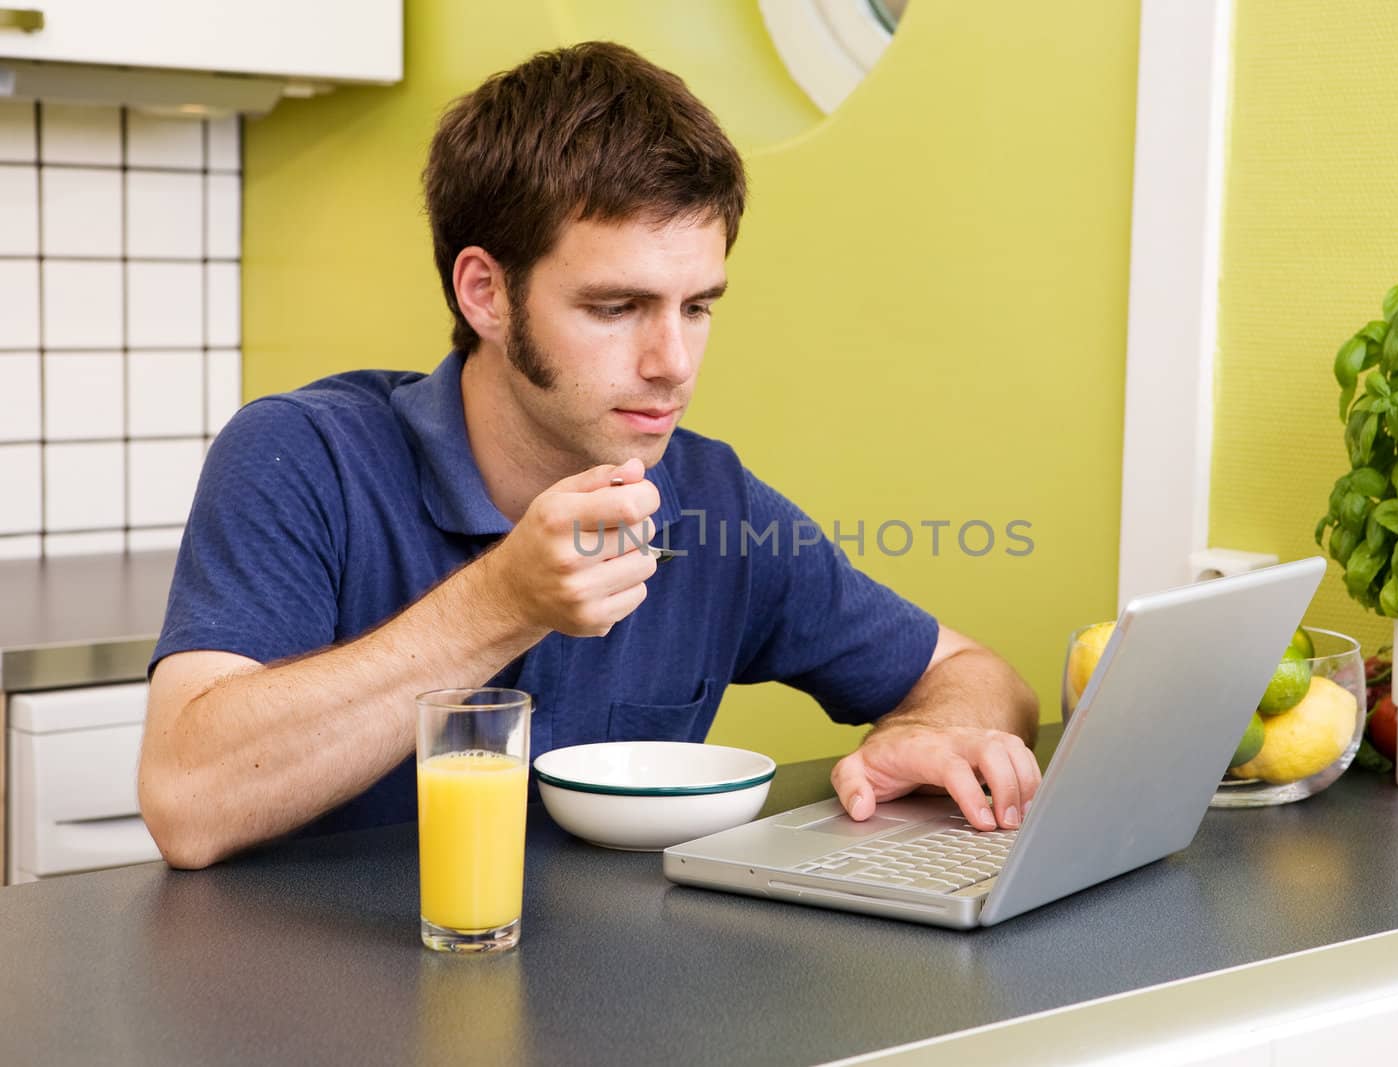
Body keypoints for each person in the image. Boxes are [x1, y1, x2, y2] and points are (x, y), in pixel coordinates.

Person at [138, 42, 1040, 870]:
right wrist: (503, 601)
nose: (672, 363)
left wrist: (932, 732)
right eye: (617, 307)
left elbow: (977, 676)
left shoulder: (710, 499)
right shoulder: (304, 457)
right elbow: (187, 802)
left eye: (697, 307)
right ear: (486, 292)